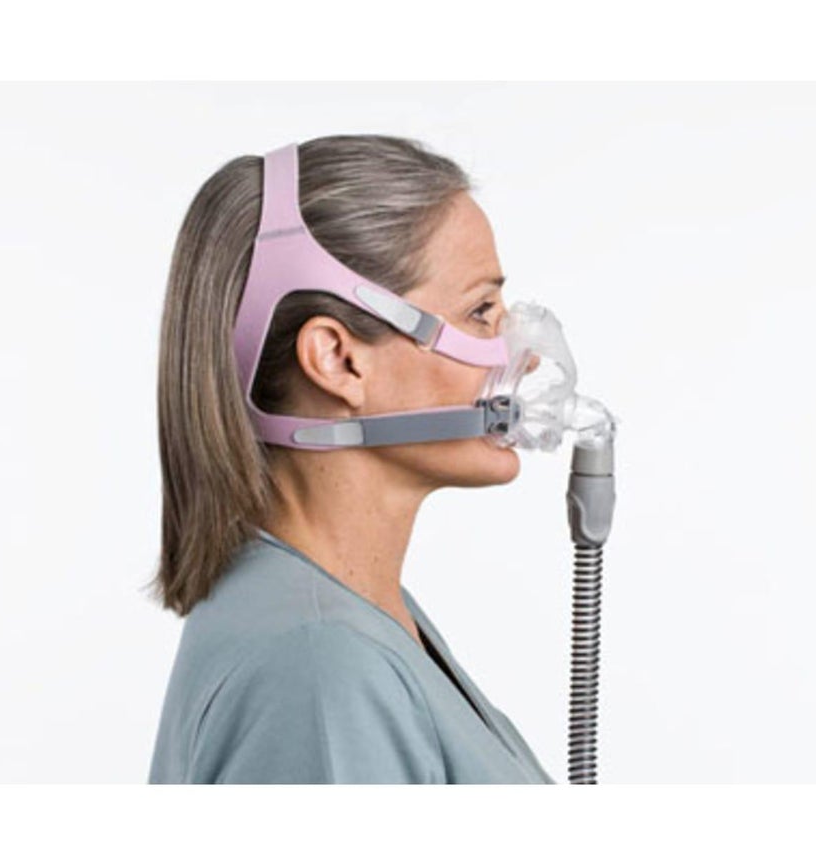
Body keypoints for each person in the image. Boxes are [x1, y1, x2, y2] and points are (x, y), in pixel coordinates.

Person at [145, 134, 552, 784]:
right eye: (480, 312)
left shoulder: (352, 618)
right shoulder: (318, 663)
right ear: (339, 360)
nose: (522, 358)